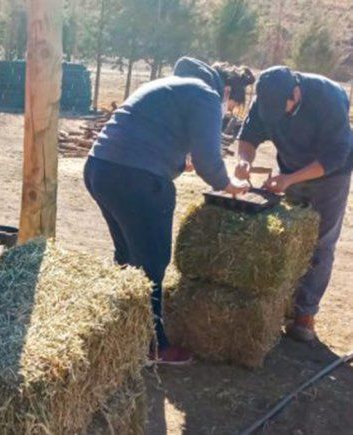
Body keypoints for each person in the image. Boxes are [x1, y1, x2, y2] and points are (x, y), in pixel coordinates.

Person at [83, 57, 251, 365]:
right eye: (231, 105)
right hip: (136, 179)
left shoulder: (168, 85)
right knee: (153, 262)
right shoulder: (207, 95)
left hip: (99, 169)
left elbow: (149, 136)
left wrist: (177, 163)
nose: (227, 110)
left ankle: (119, 329)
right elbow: (208, 160)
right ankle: (154, 344)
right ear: (226, 91)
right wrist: (230, 185)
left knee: (127, 255)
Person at [235, 66, 353, 342]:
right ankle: (281, 303)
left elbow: (336, 156)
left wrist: (290, 179)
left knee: (320, 241)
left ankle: (305, 314)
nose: (277, 115)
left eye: (283, 109)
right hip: (289, 168)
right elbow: (249, 136)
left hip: (330, 175)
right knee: (287, 236)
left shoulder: (328, 98)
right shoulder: (267, 98)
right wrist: (244, 160)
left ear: (296, 93)